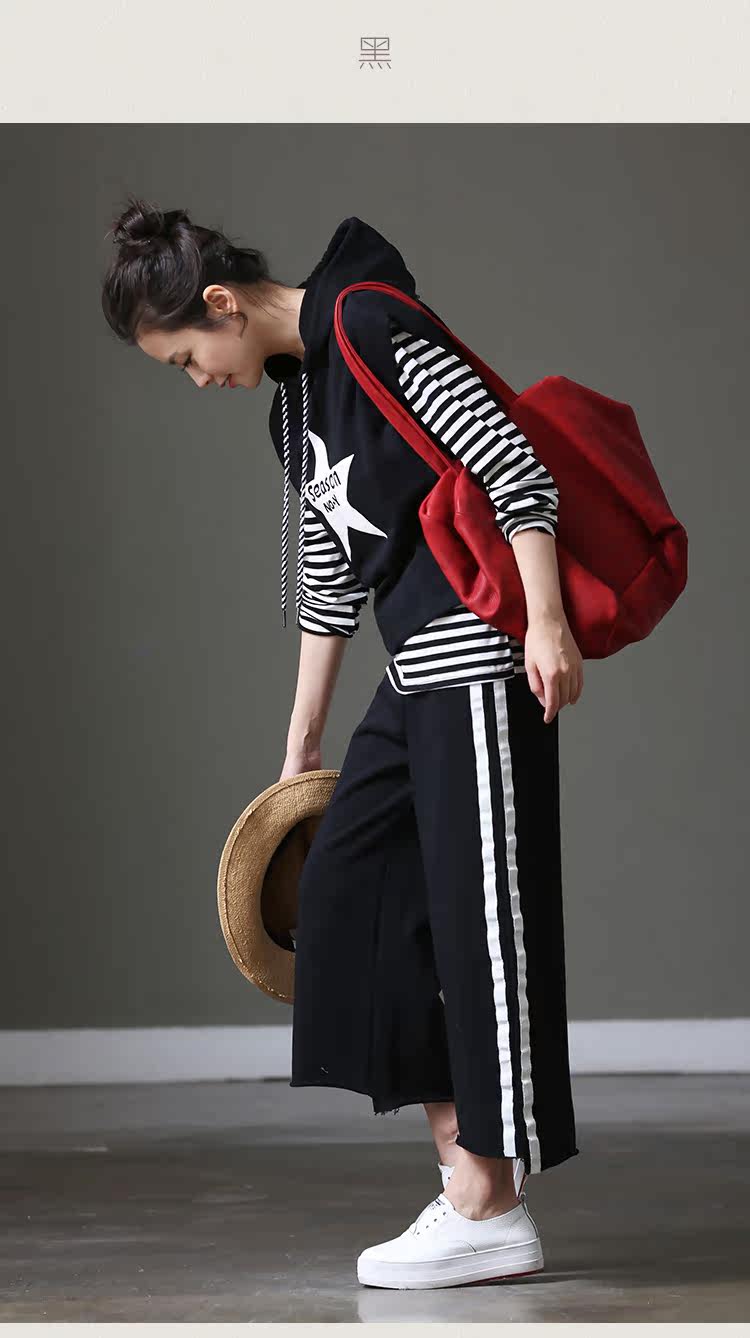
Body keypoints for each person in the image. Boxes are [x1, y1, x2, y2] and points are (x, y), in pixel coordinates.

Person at [102, 201, 584, 1291]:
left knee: (482, 924)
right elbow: (332, 579)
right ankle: (472, 1178)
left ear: (221, 305)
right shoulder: (295, 411)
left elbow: (508, 461)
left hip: (480, 651)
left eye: (187, 358)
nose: (198, 380)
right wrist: (301, 748)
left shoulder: (368, 320)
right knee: (341, 896)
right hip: (412, 671)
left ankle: (489, 1199)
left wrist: (547, 622)